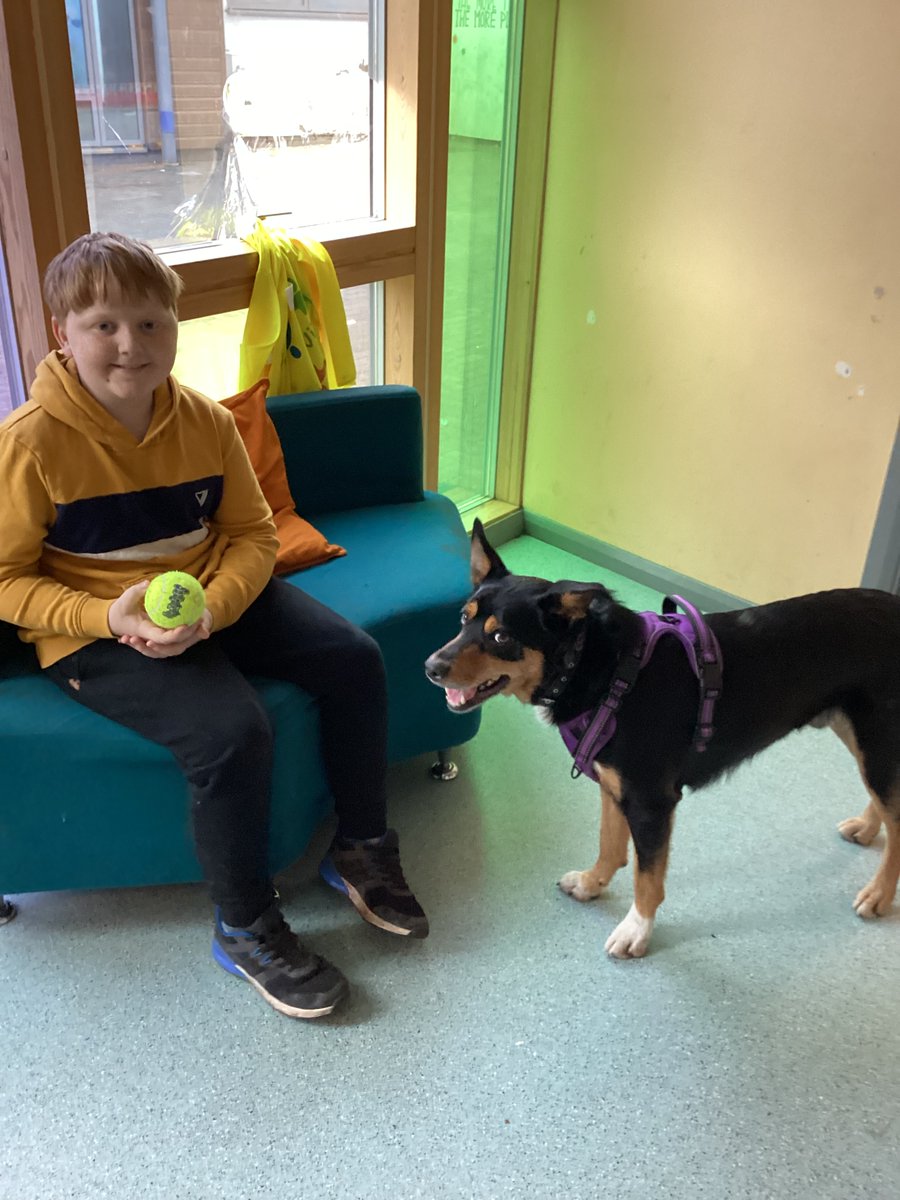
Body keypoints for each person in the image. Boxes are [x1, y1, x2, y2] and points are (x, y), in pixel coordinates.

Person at [0, 231, 428, 1020]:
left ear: (173, 324)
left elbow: (253, 536)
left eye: (151, 322)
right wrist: (103, 614)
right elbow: (6, 581)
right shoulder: (28, 444)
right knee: (233, 731)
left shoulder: (203, 420)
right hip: (92, 628)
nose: (132, 345)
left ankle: (362, 847)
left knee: (353, 659)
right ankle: (245, 926)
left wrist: (213, 609)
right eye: (104, 326)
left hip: (209, 593)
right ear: (63, 332)